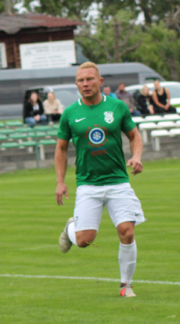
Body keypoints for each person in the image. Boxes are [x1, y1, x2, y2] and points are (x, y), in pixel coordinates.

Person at [55, 62, 144, 298]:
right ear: (76, 84)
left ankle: (126, 285)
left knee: (127, 231)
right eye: (81, 80)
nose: (85, 84)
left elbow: (134, 136)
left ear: (100, 82)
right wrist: (60, 181)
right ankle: (71, 227)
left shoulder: (116, 107)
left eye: (90, 79)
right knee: (84, 240)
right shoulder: (70, 113)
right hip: (88, 184)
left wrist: (136, 156)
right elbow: (61, 149)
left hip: (117, 181)